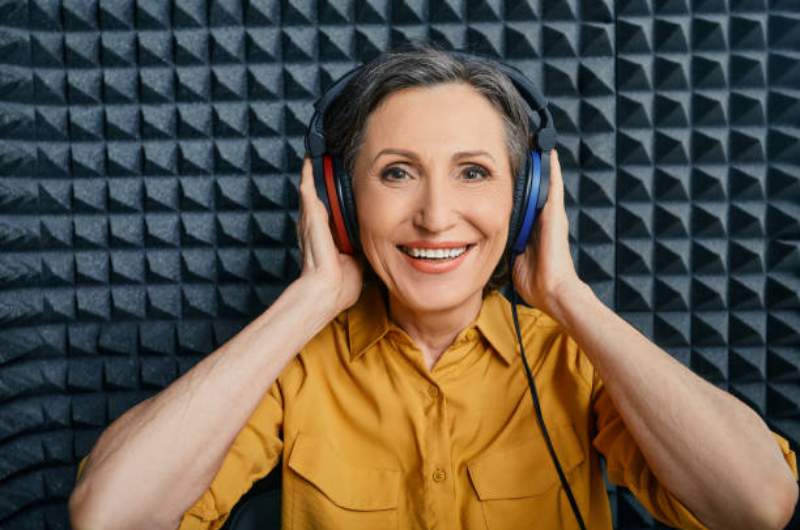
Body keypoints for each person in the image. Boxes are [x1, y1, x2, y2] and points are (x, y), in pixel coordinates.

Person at [68, 43, 798, 530]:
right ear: (340, 200)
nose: (436, 215)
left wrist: (571, 298)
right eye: (396, 172)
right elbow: (108, 515)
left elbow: (759, 505)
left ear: (529, 198)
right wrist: (312, 296)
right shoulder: (294, 368)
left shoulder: (572, 359)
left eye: (474, 172)